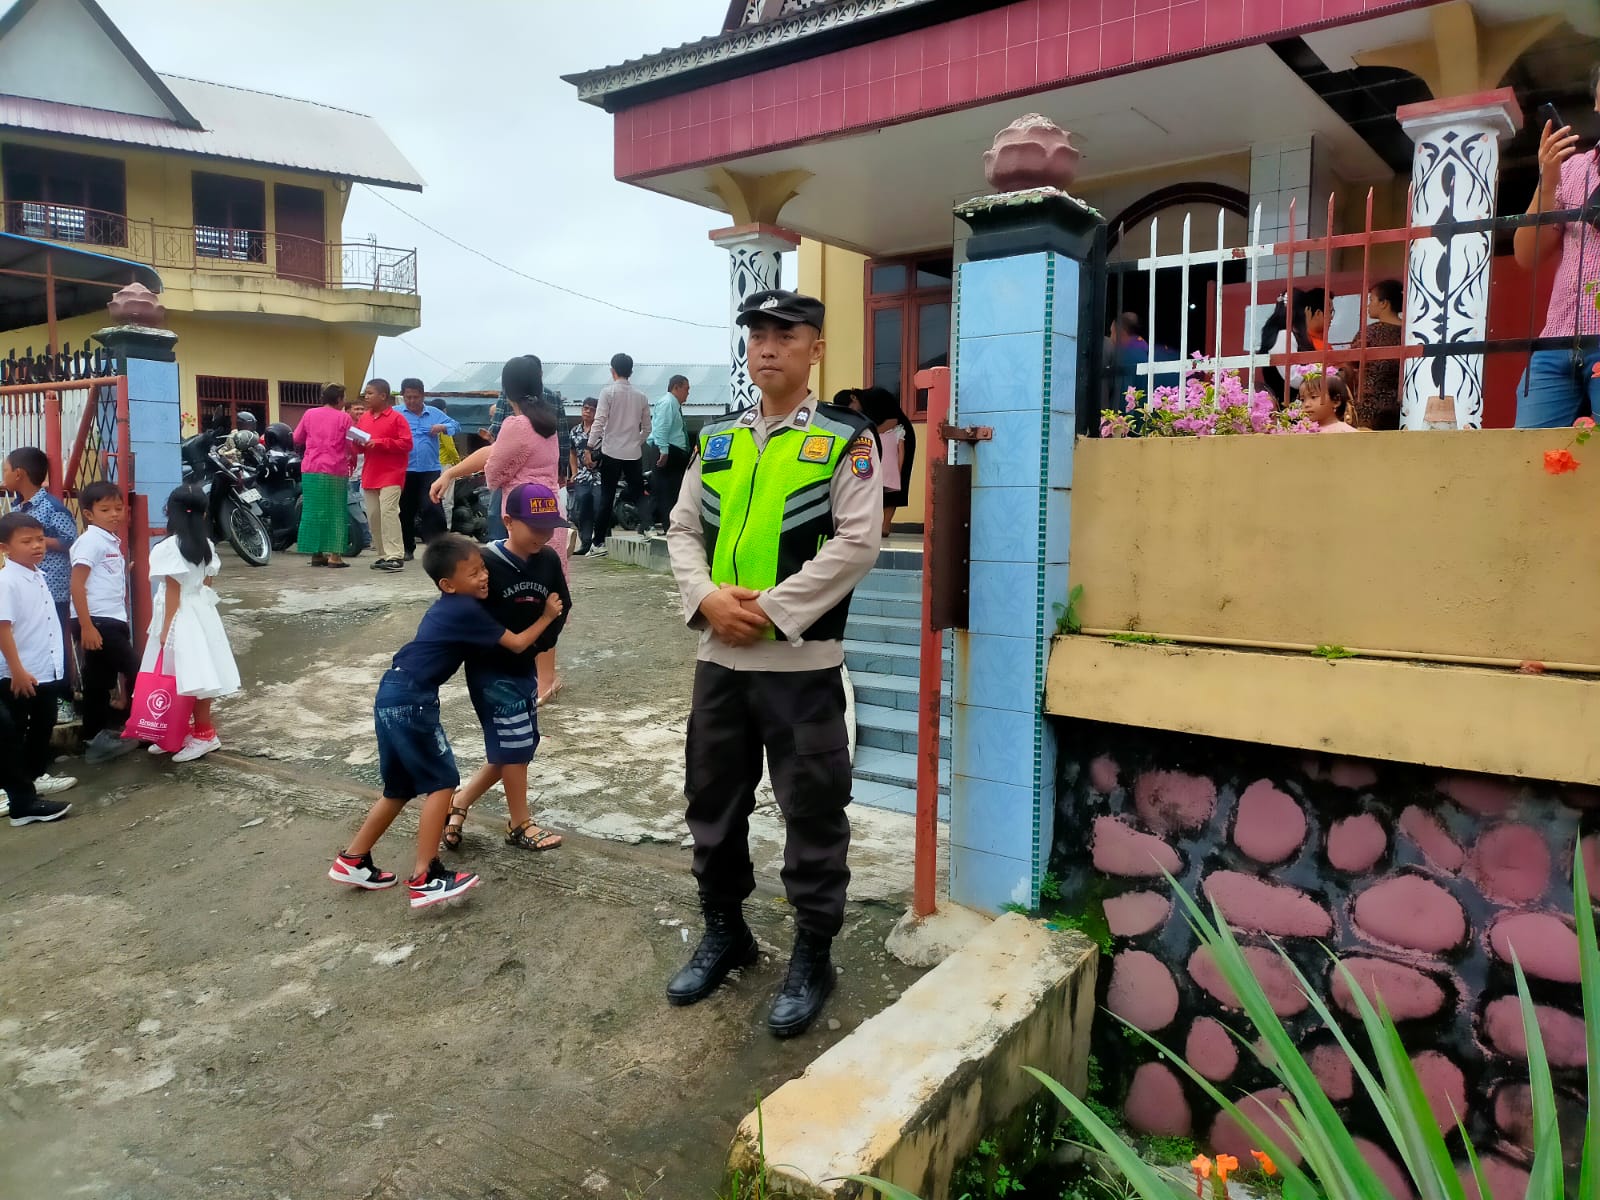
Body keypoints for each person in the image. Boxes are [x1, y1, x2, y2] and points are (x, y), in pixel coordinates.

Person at [665, 288, 882, 1038]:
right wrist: (706, 599)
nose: (768, 345)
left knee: (813, 813)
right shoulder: (719, 439)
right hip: (719, 662)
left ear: (816, 349)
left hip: (802, 666)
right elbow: (683, 526)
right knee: (712, 807)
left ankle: (813, 956)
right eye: (758, 332)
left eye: (786, 334)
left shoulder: (846, 439)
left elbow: (858, 542)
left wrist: (772, 612)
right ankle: (726, 932)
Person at [327, 533, 558, 908]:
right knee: (443, 780)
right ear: (448, 585)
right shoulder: (463, 609)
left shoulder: (453, 608)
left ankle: (353, 859)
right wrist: (547, 615)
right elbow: (516, 644)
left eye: (484, 569)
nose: (484, 577)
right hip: (412, 701)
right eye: (473, 573)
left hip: (392, 693)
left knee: (399, 788)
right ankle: (426, 875)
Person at [441, 482, 571, 855]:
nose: (544, 536)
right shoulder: (483, 565)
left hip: (522, 667)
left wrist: (538, 646)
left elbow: (561, 606)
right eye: (535, 527)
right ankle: (519, 824)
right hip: (490, 670)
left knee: (518, 745)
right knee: (513, 747)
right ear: (508, 520)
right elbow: (461, 612)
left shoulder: (547, 560)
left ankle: (461, 802)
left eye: (549, 528)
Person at [432, 356, 569, 703]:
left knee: (522, 597)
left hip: (523, 519)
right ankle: (546, 678)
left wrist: (451, 473)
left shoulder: (514, 425)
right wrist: (451, 474)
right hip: (549, 514)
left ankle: (532, 677)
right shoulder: (544, 424)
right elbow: (496, 453)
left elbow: (494, 474)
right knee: (547, 596)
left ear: (507, 389)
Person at [1513, 64, 1600, 428]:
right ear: (1597, 102)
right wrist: (1548, 182)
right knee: (1530, 460)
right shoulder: (1577, 167)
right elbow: (1527, 255)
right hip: (1556, 343)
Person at [140, 484, 241, 763]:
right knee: (192, 677)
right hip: (201, 613)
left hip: (179, 617)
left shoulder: (167, 548)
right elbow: (207, 582)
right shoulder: (207, 546)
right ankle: (181, 732)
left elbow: (173, 592)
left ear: (169, 512)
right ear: (205, 514)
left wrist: (164, 631)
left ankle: (204, 734)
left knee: (187, 677)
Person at [0, 511, 75, 821]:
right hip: (19, 672)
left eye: (40, 539)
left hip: (44, 668)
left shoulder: (38, 576)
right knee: (12, 730)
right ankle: (10, 790)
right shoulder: (7, 581)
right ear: (5, 547)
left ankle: (33, 777)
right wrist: (16, 669)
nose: (36, 546)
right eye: (26, 541)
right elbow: (3, 627)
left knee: (44, 721)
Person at [3, 447, 77, 714]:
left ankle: (63, 699)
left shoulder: (51, 506)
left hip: (52, 588)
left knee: (55, 643)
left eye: (6, 471)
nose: (4, 476)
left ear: (19, 474)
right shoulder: (19, 506)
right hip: (26, 587)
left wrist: (33, 540)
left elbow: (70, 540)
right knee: (28, 640)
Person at [70, 481, 139, 764]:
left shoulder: (109, 540)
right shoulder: (91, 541)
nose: (114, 514)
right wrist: (86, 626)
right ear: (89, 514)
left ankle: (93, 738)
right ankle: (144, 725)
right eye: (105, 509)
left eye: (118, 508)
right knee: (136, 668)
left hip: (109, 620)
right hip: (97, 622)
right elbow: (77, 585)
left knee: (98, 682)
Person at [589, 352, 652, 555]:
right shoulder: (641, 396)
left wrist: (590, 446)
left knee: (607, 497)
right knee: (638, 492)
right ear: (631, 372)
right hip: (633, 452)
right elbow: (647, 428)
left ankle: (598, 543)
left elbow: (599, 422)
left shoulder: (608, 393)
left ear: (612, 371)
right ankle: (648, 528)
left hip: (611, 451)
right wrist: (636, 441)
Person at [292, 383, 355, 567]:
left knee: (313, 511)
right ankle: (335, 556)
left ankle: (316, 553)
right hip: (335, 469)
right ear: (338, 399)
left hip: (311, 469)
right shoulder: (344, 418)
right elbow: (351, 443)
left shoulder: (309, 414)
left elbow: (297, 438)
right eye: (343, 398)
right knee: (336, 512)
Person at [353, 378, 413, 572]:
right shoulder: (365, 418)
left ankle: (395, 555)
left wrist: (380, 443)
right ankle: (384, 554)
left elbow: (406, 444)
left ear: (383, 396)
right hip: (370, 473)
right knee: (373, 515)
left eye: (370, 393)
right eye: (366, 393)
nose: (366, 397)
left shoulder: (397, 418)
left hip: (392, 474)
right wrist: (355, 442)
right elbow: (359, 446)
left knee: (389, 513)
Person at [397, 378, 459, 561]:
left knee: (432, 507)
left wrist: (443, 427)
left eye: (415, 397)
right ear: (403, 396)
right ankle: (407, 548)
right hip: (404, 469)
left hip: (429, 470)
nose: (412, 401)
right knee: (405, 510)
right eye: (408, 397)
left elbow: (456, 425)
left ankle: (438, 547)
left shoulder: (434, 413)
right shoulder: (396, 413)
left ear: (423, 396)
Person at [856, 386, 918, 537]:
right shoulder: (866, 404)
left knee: (895, 485)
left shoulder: (875, 396)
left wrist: (868, 433)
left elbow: (892, 420)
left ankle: (885, 525)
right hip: (880, 444)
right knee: (873, 486)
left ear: (853, 398)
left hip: (896, 443)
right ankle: (874, 525)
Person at [1260, 288, 1330, 405]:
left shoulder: (1290, 335)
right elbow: (1293, 377)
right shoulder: (1284, 335)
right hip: (1289, 405)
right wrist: (1322, 370)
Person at [1350, 279, 1403, 431]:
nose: (1368, 305)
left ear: (1384, 303)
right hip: (1400, 408)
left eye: (1371, 300)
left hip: (1368, 410)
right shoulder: (1409, 333)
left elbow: (1350, 362)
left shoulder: (1369, 333)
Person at [647, 374, 691, 536]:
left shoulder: (673, 404)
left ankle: (671, 524)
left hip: (674, 451)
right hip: (666, 450)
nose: (688, 394)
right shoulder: (667, 402)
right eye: (686, 389)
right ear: (676, 387)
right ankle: (666, 525)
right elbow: (662, 427)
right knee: (666, 489)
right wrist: (664, 450)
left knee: (673, 489)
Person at [567, 397, 602, 554]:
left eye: (591, 409)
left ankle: (602, 538)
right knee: (582, 508)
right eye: (585, 408)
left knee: (599, 507)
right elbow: (572, 452)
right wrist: (574, 472)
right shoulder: (575, 431)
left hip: (600, 475)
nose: (587, 411)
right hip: (582, 475)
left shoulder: (602, 430)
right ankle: (586, 542)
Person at [1300, 369, 1358, 433]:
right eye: (1302, 400)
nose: (1306, 404)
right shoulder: (1301, 431)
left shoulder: (1345, 432)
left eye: (1313, 397)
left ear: (1336, 401)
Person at [437, 400, 461, 531]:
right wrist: (459, 465)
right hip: (445, 465)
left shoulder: (429, 423)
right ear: (444, 410)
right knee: (447, 499)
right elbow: (450, 448)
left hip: (433, 465)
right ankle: (446, 528)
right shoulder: (444, 426)